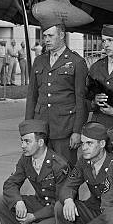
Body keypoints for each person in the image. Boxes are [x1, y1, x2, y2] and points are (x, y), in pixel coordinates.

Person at [0, 120, 70, 224]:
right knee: (3, 201)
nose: (22, 146)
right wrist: (18, 201)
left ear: (41, 142)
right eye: (22, 141)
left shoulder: (59, 165)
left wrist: (33, 217)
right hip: (40, 202)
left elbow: (61, 202)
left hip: (58, 210)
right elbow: (10, 184)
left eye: (27, 142)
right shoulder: (26, 159)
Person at [50, 121, 113, 224]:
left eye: (90, 143)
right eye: (83, 143)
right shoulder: (84, 161)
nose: (84, 148)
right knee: (61, 206)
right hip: (95, 209)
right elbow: (68, 185)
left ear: (102, 144)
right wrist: (68, 201)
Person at [25, 21, 88, 164]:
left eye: (50, 36)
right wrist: (28, 127)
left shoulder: (76, 62)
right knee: (42, 171)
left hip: (64, 128)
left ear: (61, 35)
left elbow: (81, 99)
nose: (46, 39)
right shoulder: (39, 61)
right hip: (41, 128)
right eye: (45, 36)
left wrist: (77, 131)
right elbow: (32, 96)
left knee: (65, 171)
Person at [86, 24, 113, 128]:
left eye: (110, 40)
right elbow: (85, 97)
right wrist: (94, 101)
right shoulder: (96, 66)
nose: (106, 45)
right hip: (98, 126)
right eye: (104, 41)